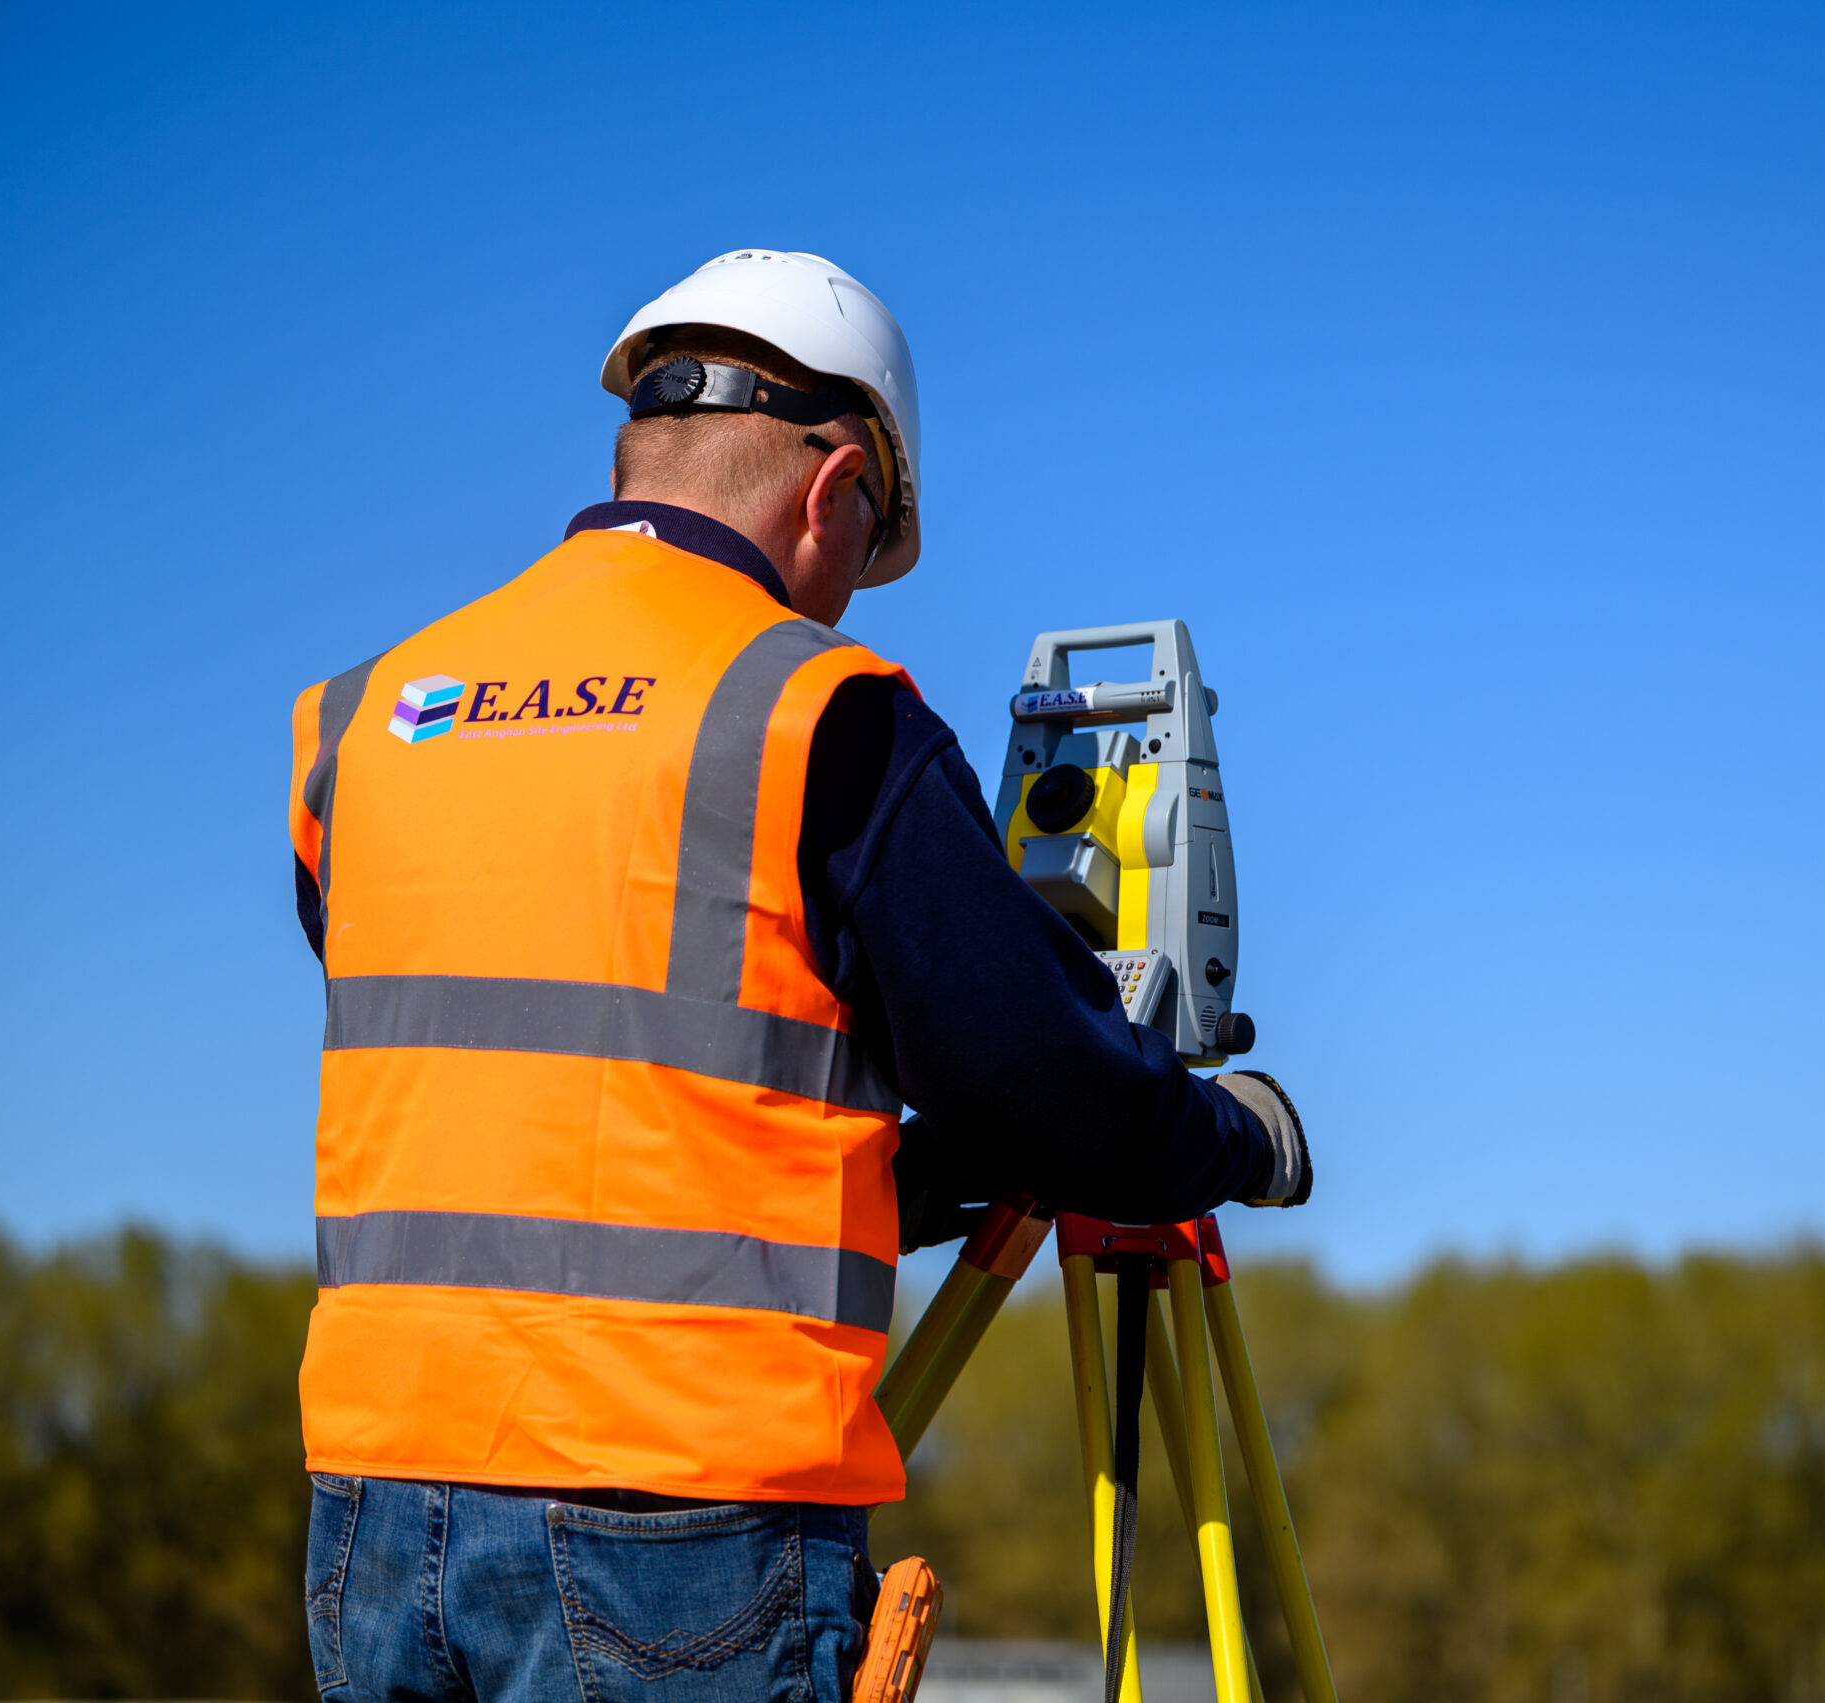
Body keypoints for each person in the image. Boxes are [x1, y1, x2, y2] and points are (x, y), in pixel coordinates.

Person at [285, 249, 1311, 1702]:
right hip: (675, 1531)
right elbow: (1040, 1087)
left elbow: (583, 1113)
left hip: (374, 1523)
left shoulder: (366, 721)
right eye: (869, 546)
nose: (845, 599)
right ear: (835, 490)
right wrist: (1236, 1139)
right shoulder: (808, 710)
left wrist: (891, 1183)